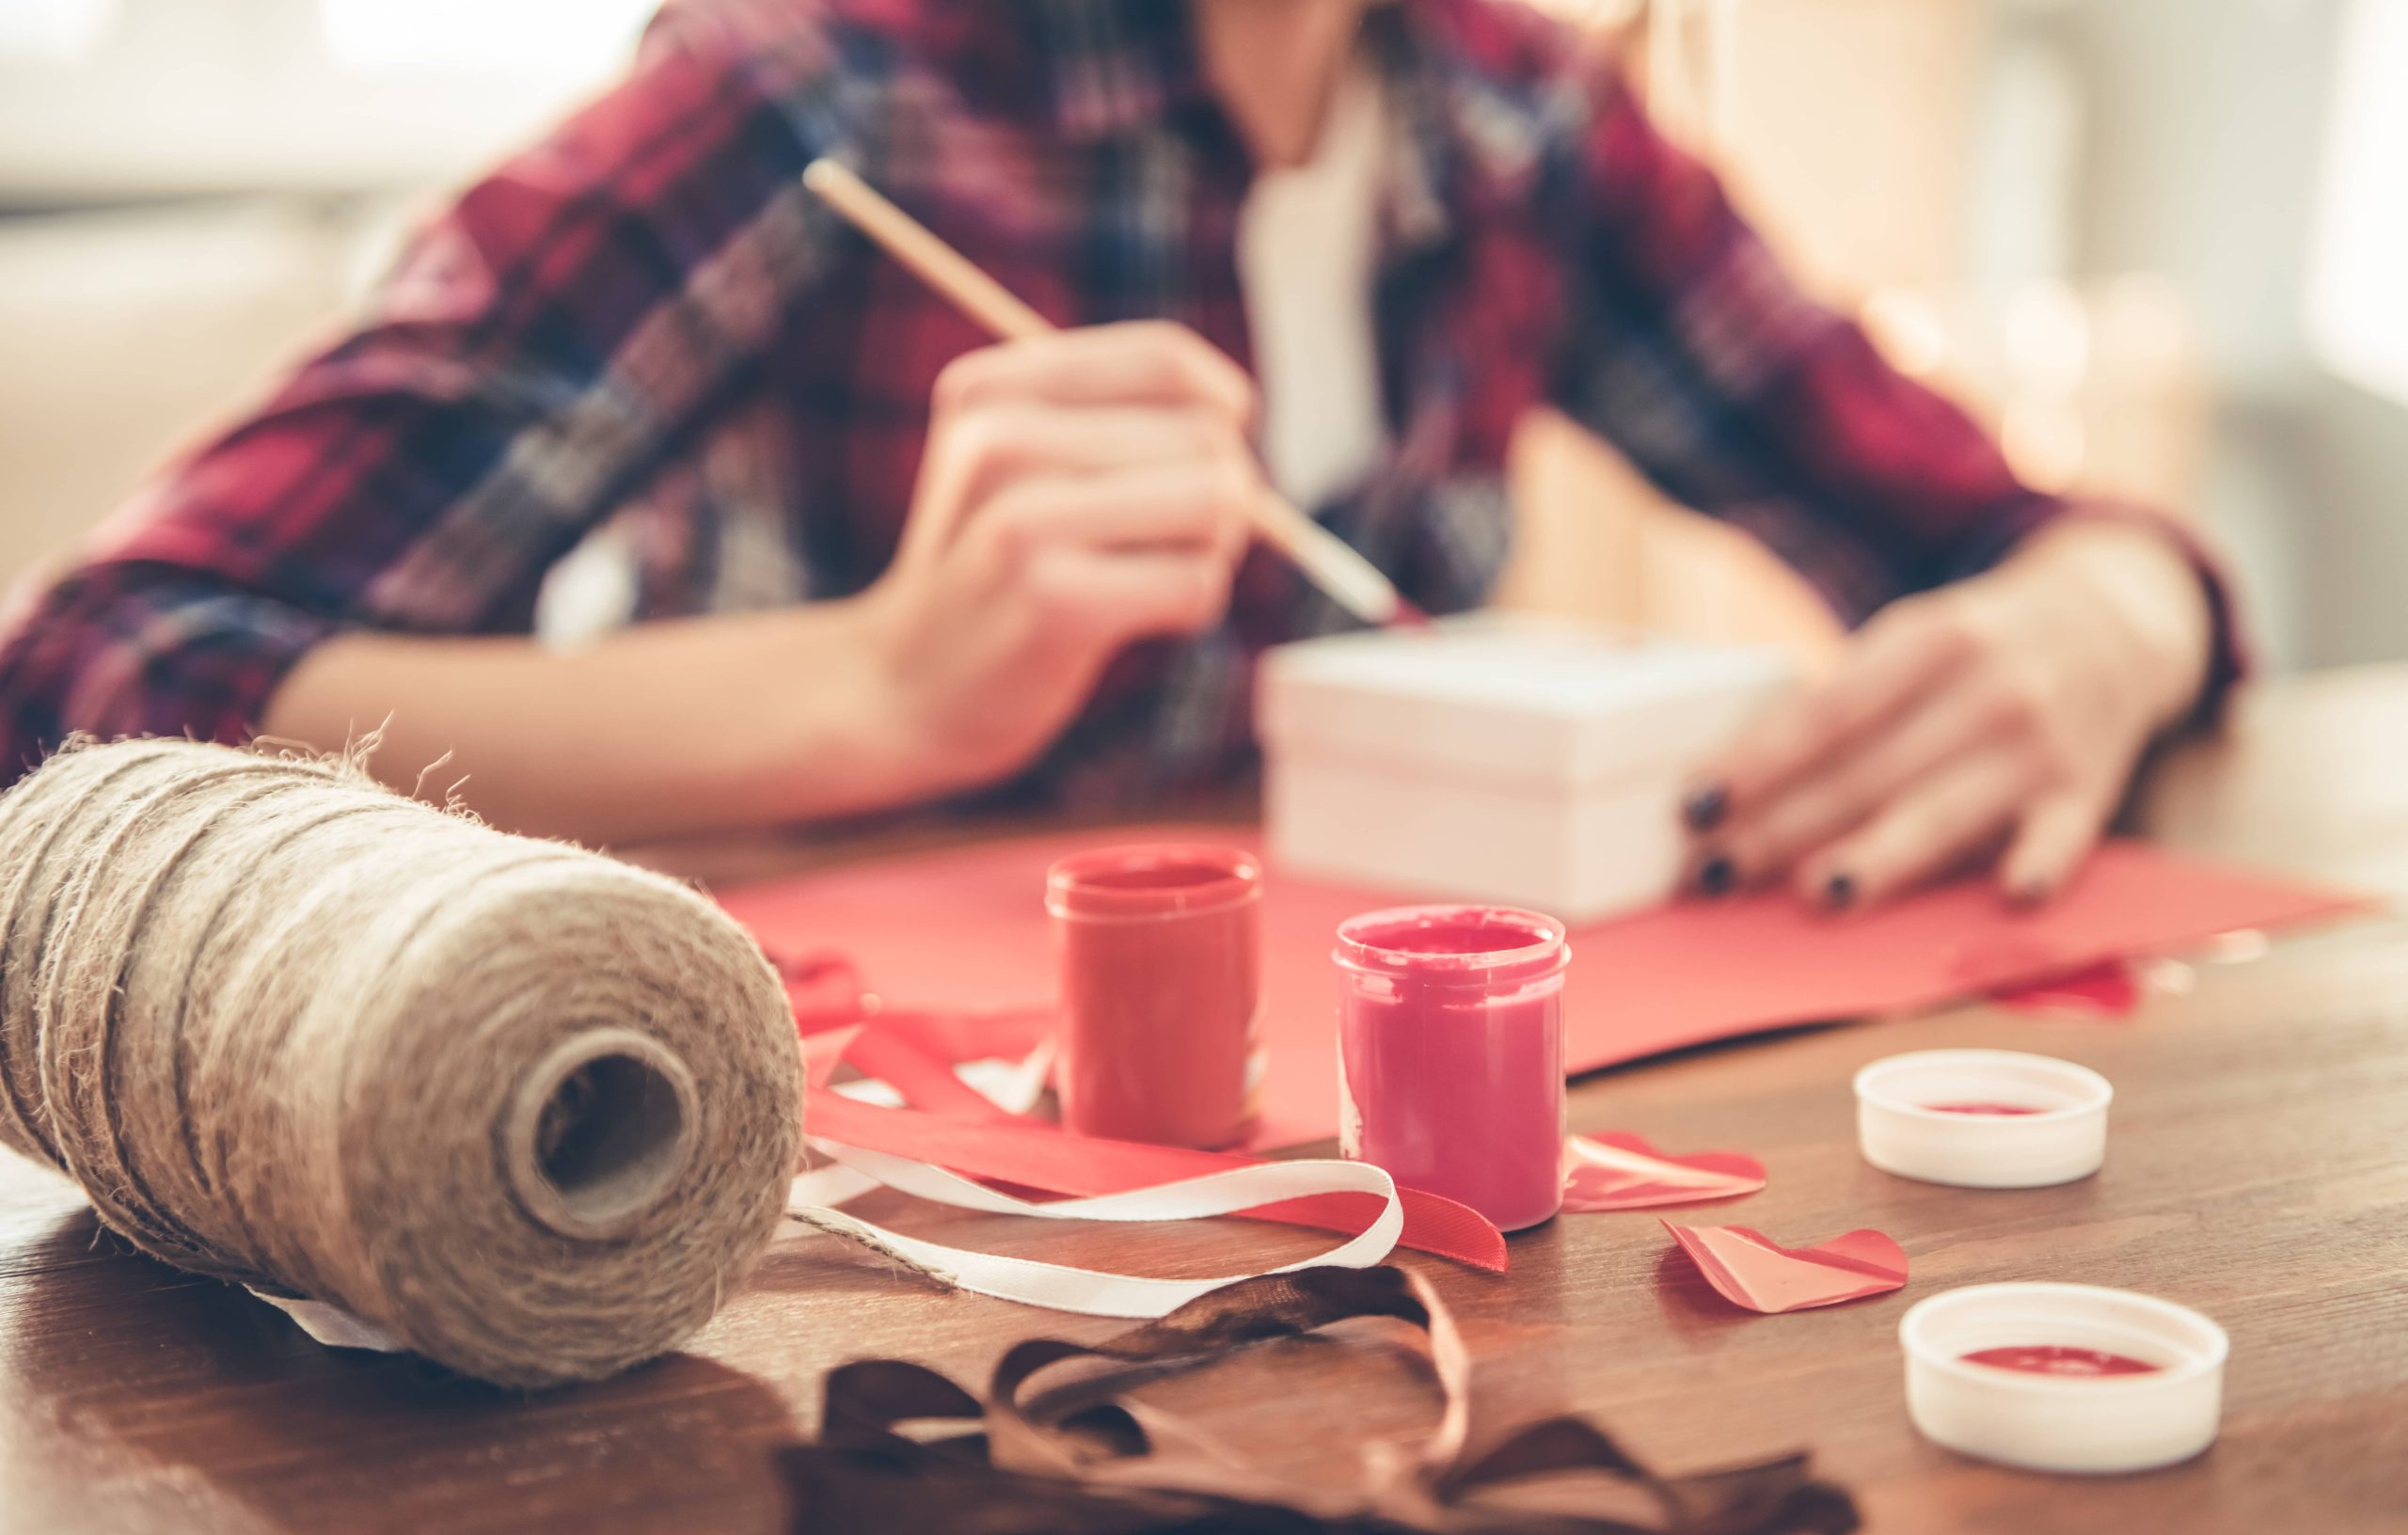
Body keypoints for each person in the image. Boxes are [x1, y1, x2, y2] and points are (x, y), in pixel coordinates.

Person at [0, 0, 2236, 910]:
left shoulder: (1517, 116)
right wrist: (875, 692)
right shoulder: (813, 90)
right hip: (797, 1223)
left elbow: (2027, 540)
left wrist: (2103, 621)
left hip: (1357, 1200)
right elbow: (86, 692)